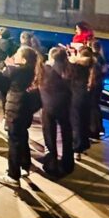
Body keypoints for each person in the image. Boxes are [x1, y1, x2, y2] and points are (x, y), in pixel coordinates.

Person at [0, 46, 40, 187]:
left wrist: (7, 66)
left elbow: (1, 82)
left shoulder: (14, 70)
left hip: (15, 108)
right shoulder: (32, 71)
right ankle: (24, 165)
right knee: (22, 137)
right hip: (25, 110)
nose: (14, 55)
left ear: (23, 59)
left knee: (14, 141)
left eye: (17, 53)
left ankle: (13, 175)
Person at [39, 47, 73, 177]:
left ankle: (51, 163)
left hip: (48, 105)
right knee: (66, 134)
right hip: (65, 104)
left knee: (49, 135)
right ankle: (68, 163)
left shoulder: (46, 70)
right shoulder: (70, 69)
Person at [69, 47, 97, 159]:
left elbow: (69, 64)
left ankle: (77, 148)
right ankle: (83, 145)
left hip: (76, 95)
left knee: (76, 122)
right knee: (84, 122)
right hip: (87, 96)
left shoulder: (77, 65)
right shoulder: (92, 65)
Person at [88, 40, 107, 140]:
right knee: (96, 106)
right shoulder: (102, 58)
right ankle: (99, 128)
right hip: (99, 84)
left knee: (92, 106)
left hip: (94, 84)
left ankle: (94, 129)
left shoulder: (93, 57)